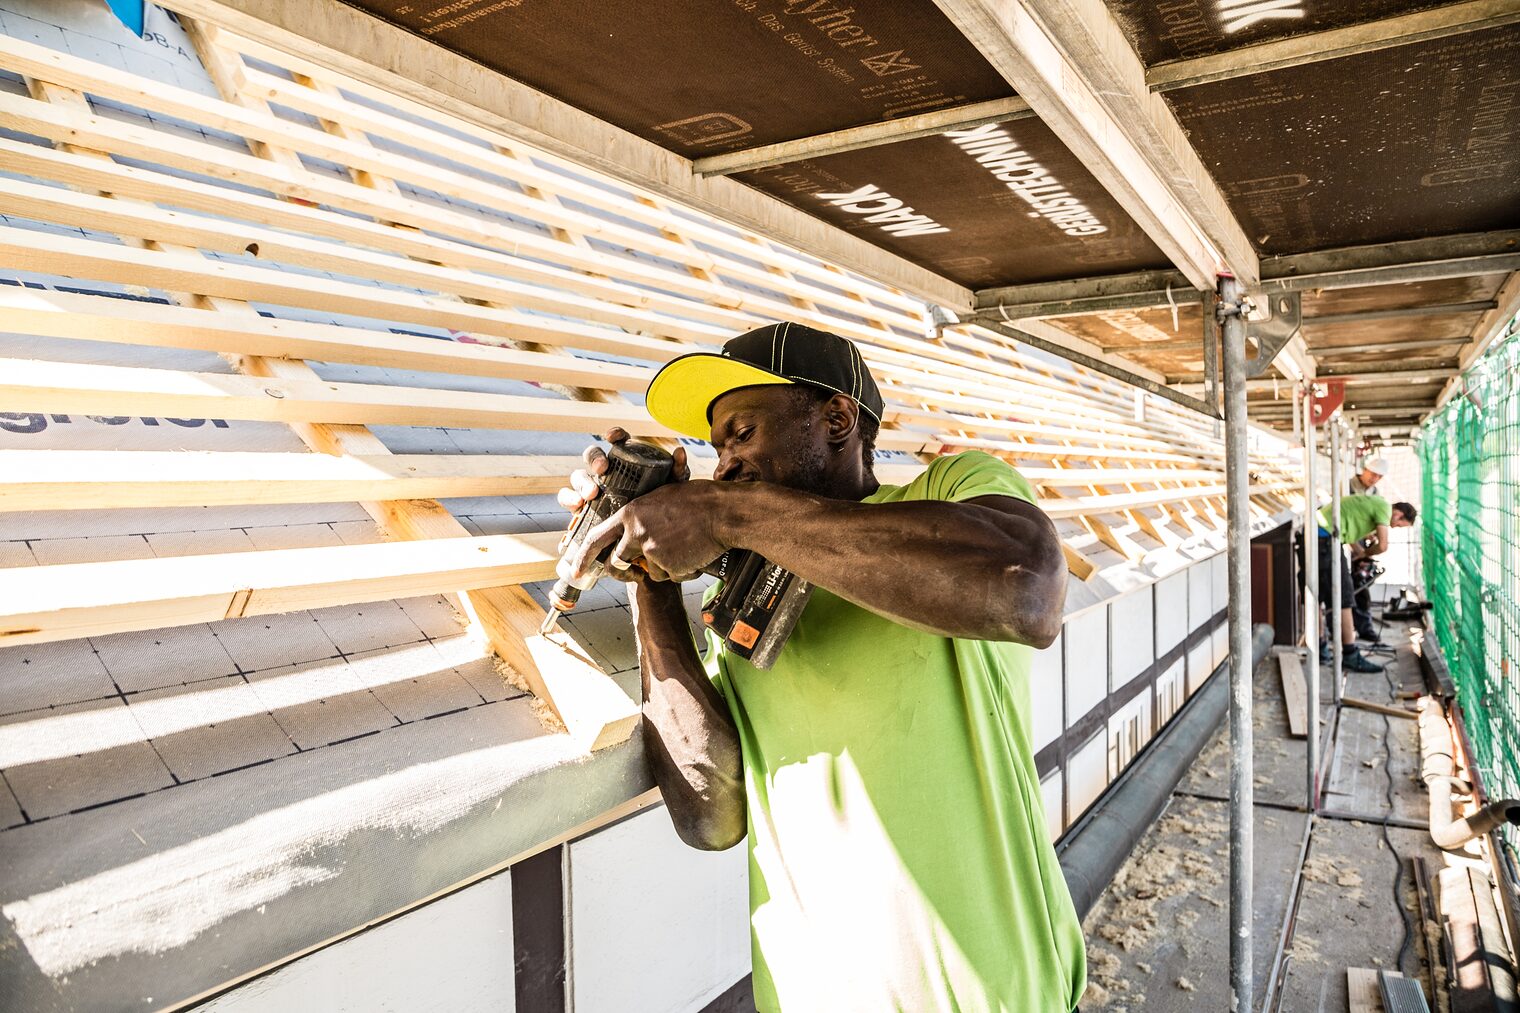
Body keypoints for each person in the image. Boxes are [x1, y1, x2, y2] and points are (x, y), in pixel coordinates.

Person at [557, 322, 1086, 1012]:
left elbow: (1027, 590)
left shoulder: (953, 488)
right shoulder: (744, 602)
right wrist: (648, 579)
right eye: (717, 451)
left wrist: (726, 515)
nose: (725, 466)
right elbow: (709, 813)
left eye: (742, 434)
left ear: (837, 417)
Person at [1313, 493, 1416, 672]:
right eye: (1399, 525)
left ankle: (1321, 648)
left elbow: (1351, 533)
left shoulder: (1372, 504)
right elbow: (1383, 546)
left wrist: (1361, 552)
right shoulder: (1384, 508)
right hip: (1325, 540)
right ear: (1398, 514)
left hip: (1318, 534)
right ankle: (1350, 654)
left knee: (1317, 596)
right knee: (1345, 599)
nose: (1395, 527)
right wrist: (1368, 553)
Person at [1347, 457, 1388, 639]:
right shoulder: (1347, 487)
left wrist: (1368, 535)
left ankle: (1362, 627)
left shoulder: (1375, 492)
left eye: (1379, 477)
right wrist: (1355, 548)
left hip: (1359, 542)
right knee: (1346, 588)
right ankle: (1349, 629)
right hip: (1345, 539)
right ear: (1364, 470)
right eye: (1373, 474)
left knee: (1360, 585)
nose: (1374, 479)